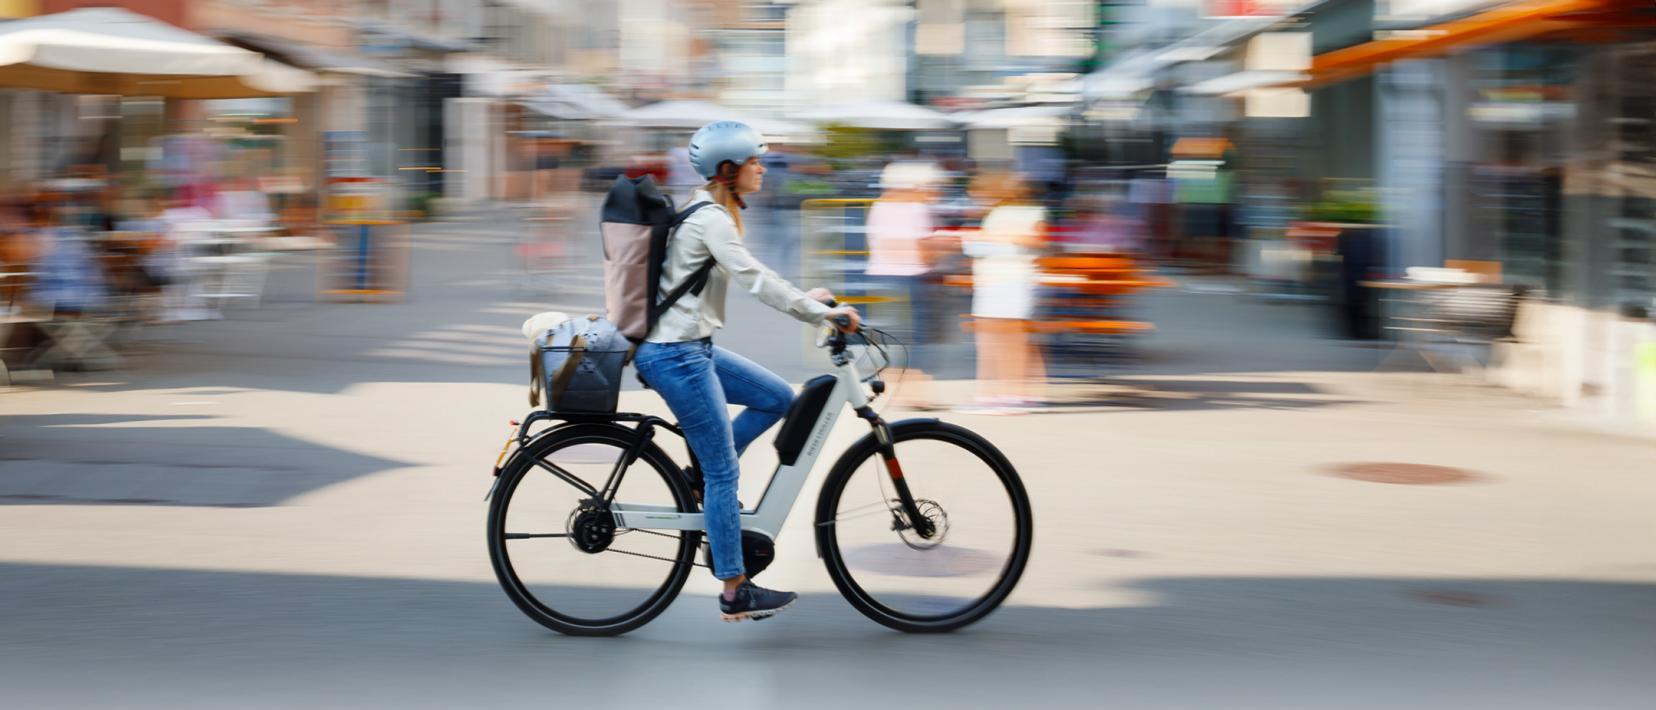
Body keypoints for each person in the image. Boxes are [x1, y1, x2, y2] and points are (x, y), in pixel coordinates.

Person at [631, 121, 861, 622]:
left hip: (691, 349)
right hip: (677, 356)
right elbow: (756, 280)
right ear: (729, 171)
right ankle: (735, 590)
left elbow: (758, 273)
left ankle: (701, 479)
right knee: (723, 472)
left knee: (779, 397)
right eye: (756, 161)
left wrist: (810, 300)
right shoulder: (711, 219)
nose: (763, 168)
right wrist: (820, 313)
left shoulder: (712, 212)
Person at [958, 171, 1047, 415]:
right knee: (989, 338)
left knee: (1011, 338)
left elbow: (1034, 239)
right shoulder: (995, 214)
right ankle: (992, 394)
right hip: (991, 280)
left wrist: (994, 239)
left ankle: (1013, 394)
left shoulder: (1031, 213)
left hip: (1013, 280)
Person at [865, 161, 944, 409]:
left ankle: (893, 389)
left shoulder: (879, 206)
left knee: (892, 335)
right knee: (919, 337)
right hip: (912, 276)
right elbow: (924, 250)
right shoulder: (916, 208)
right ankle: (915, 392)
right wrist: (944, 247)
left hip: (879, 275)